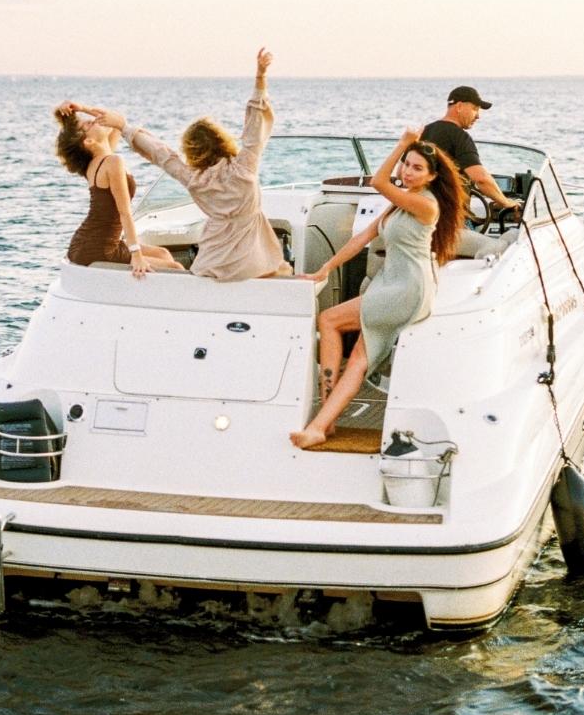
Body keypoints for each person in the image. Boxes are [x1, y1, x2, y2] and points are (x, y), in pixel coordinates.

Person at [290, 130, 465, 451]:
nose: (407, 171)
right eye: (406, 164)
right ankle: (323, 423)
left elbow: (378, 183)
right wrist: (324, 270)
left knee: (331, 323)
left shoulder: (425, 204)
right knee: (351, 350)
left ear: (432, 176)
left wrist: (402, 143)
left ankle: (322, 424)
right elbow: (362, 238)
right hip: (392, 283)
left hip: (407, 288)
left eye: (416, 168)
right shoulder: (398, 206)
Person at [64, 48, 290, 282]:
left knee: (180, 265)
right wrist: (260, 76)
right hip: (255, 261)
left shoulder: (194, 179)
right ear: (222, 140)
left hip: (215, 264)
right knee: (281, 271)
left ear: (191, 151)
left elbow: (160, 154)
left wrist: (123, 127)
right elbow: (254, 126)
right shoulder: (245, 168)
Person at [53, 110, 183, 279]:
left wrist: (80, 107)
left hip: (89, 243)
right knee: (176, 267)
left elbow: (117, 121)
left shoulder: (97, 161)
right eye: (89, 124)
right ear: (89, 141)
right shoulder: (112, 162)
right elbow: (124, 212)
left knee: (163, 254)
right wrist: (136, 256)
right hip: (100, 248)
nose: (94, 120)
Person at [420, 85, 520, 215]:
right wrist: (506, 202)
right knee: (510, 235)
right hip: (450, 220)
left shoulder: (424, 131)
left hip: (423, 214)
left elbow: (401, 173)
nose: (478, 116)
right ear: (459, 106)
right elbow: (481, 179)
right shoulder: (459, 136)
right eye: (475, 109)